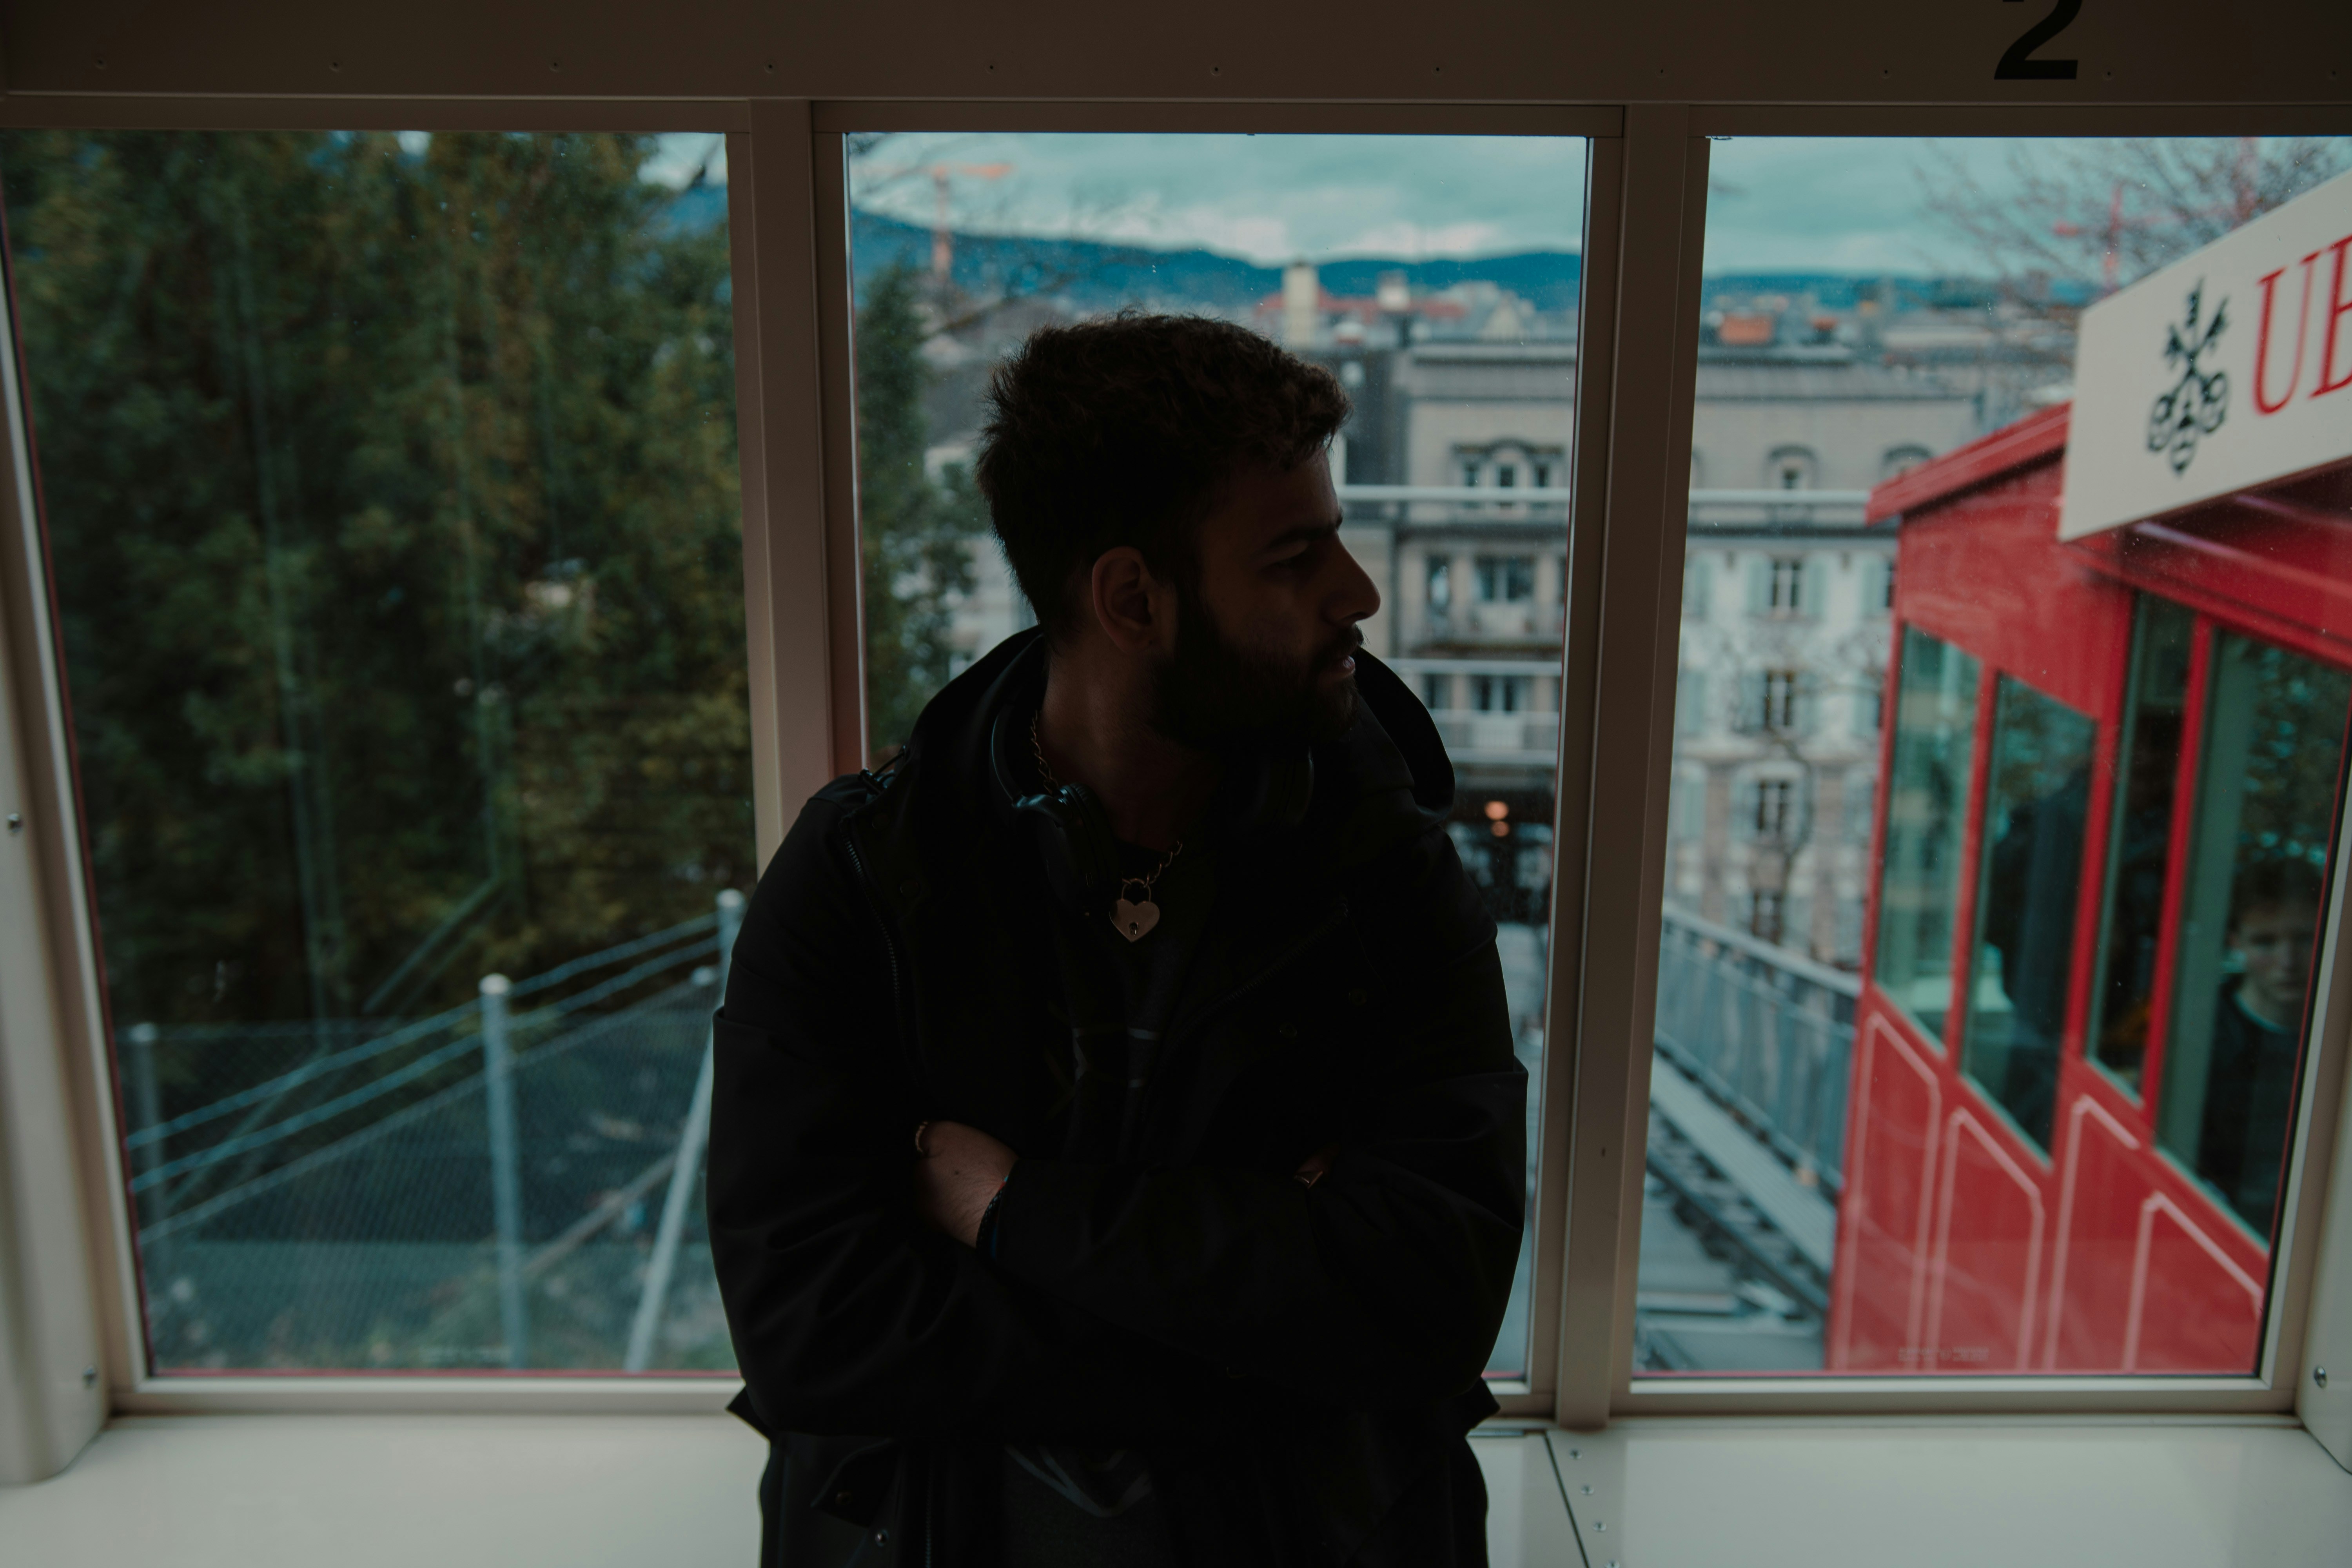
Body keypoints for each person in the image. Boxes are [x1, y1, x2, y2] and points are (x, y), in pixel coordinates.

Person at [708, 314, 1526, 1567]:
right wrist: (1265, 1291)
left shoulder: (1387, 870)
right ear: (1133, 598)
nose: (1356, 593)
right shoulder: (861, 875)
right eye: (1294, 556)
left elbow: (1428, 1300)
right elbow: (813, 1330)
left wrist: (1013, 1211)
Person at [2196, 859, 2322, 1234]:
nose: (2288, 963)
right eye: (2265, 942)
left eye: (2304, 939)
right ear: (2236, 944)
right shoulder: (2200, 1036)